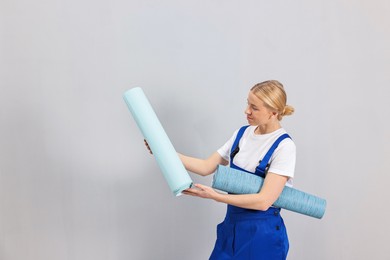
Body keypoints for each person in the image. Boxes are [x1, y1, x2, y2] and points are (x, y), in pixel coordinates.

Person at [145, 80, 296, 260]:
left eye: (254, 107)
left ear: (273, 112)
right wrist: (163, 152)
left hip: (262, 235)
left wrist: (214, 196)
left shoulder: (284, 146)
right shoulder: (242, 134)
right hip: (232, 227)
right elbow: (206, 167)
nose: (247, 110)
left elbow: (264, 201)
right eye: (247, 103)